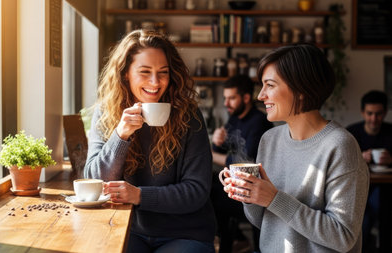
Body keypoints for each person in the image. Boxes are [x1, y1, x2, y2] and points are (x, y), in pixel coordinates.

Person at [222, 44, 369, 252]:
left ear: (300, 90)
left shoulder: (340, 146)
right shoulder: (269, 140)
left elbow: (343, 237)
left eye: (270, 85)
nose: (260, 95)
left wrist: (274, 198)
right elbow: (264, 222)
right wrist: (250, 195)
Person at [83, 29, 216, 253]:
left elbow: (197, 190)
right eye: (145, 72)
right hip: (126, 229)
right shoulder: (107, 113)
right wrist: (120, 135)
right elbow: (95, 181)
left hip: (185, 233)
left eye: (163, 72)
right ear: (125, 73)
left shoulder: (189, 117)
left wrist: (139, 195)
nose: (155, 82)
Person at [210, 74, 272, 253]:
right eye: (225, 98)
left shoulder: (259, 122)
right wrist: (217, 141)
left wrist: (212, 154)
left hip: (256, 191)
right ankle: (234, 241)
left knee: (211, 197)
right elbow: (221, 151)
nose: (226, 103)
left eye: (231, 98)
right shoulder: (234, 118)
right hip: (240, 187)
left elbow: (246, 163)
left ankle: (235, 241)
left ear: (246, 98)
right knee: (206, 187)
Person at [346, 90, 392, 253]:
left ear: (385, 112)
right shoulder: (351, 133)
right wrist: (358, 157)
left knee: (384, 208)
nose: (374, 119)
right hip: (358, 188)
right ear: (362, 112)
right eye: (370, 113)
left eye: (379, 114)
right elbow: (341, 163)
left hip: (386, 188)